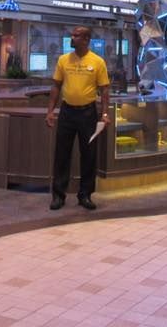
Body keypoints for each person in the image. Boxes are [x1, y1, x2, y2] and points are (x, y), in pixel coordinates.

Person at [46, 26, 110, 211]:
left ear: (86, 39)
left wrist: (105, 114)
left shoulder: (97, 62)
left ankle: (85, 195)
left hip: (88, 113)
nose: (72, 38)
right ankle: (58, 196)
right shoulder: (63, 60)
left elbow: (105, 90)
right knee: (62, 154)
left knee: (89, 155)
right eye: (72, 35)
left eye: (76, 36)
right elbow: (56, 86)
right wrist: (50, 111)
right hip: (67, 112)